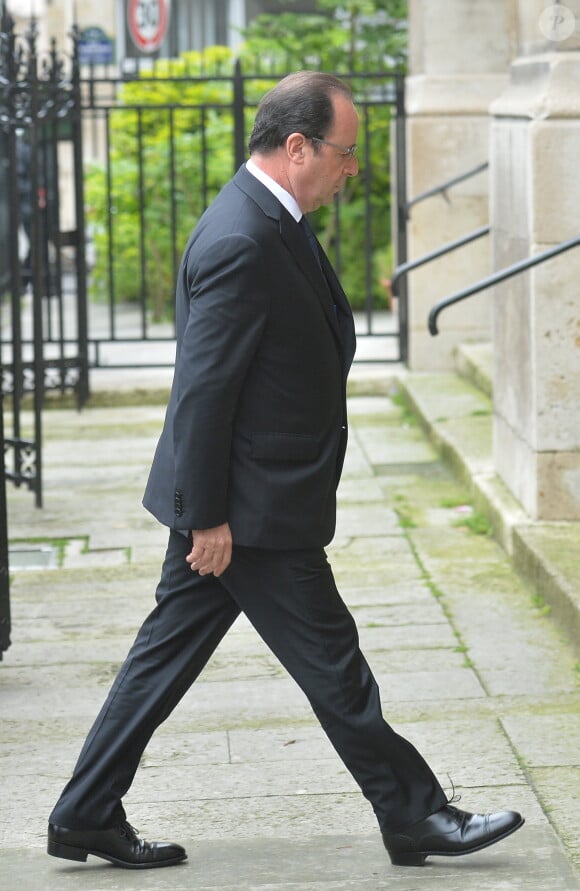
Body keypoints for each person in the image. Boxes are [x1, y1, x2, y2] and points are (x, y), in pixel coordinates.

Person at [47, 71, 524, 871]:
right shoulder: (242, 236)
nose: (354, 168)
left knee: (163, 656)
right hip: (247, 510)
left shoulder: (277, 218)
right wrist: (206, 516)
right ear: (296, 146)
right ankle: (415, 814)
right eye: (346, 152)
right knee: (335, 664)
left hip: (244, 497)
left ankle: (84, 810)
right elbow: (203, 393)